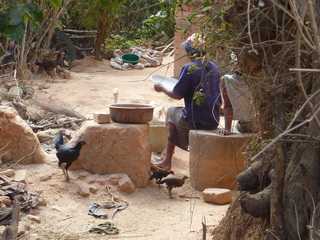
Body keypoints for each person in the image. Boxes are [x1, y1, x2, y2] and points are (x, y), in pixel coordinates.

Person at [153, 34, 221, 170]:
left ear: (190, 52)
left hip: (195, 120)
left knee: (172, 112)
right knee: (177, 112)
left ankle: (167, 160)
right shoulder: (214, 67)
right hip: (213, 119)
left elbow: (177, 94)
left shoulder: (189, 68)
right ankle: (168, 156)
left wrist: (161, 88)